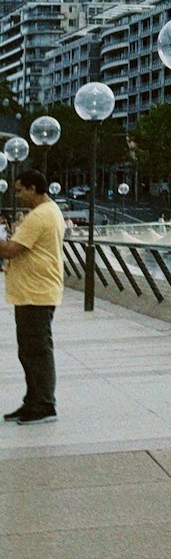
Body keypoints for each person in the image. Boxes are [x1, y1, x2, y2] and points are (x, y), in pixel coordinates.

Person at [0, 168, 66, 425]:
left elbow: (12, 249)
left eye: (19, 190)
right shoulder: (48, 212)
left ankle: (44, 405)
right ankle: (33, 401)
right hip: (33, 291)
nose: (17, 195)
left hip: (36, 293)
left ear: (33, 189)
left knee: (36, 350)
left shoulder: (40, 216)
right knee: (29, 350)